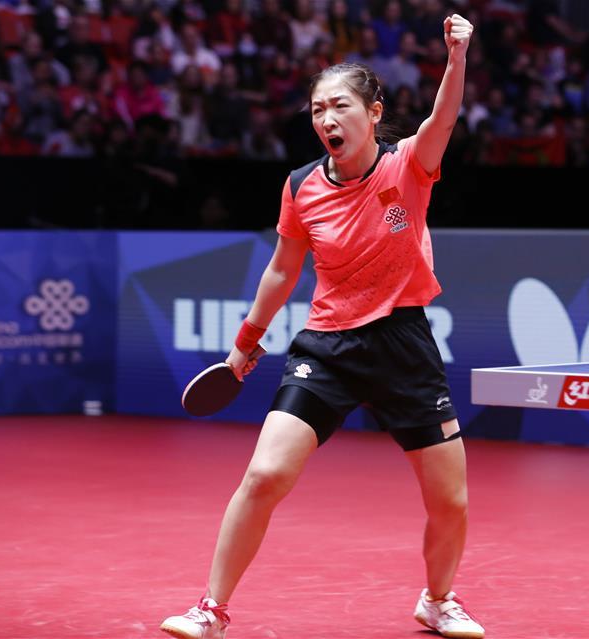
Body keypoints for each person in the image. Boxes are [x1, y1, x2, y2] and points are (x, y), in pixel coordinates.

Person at [160, 13, 484, 639]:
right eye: (317, 110)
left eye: (340, 106)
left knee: (450, 499)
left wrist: (456, 57)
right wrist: (246, 342)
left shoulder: (409, 166)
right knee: (264, 474)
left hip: (403, 341)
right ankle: (211, 609)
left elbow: (442, 119)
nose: (327, 120)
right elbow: (283, 270)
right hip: (329, 345)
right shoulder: (301, 186)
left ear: (373, 113)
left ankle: (438, 600)